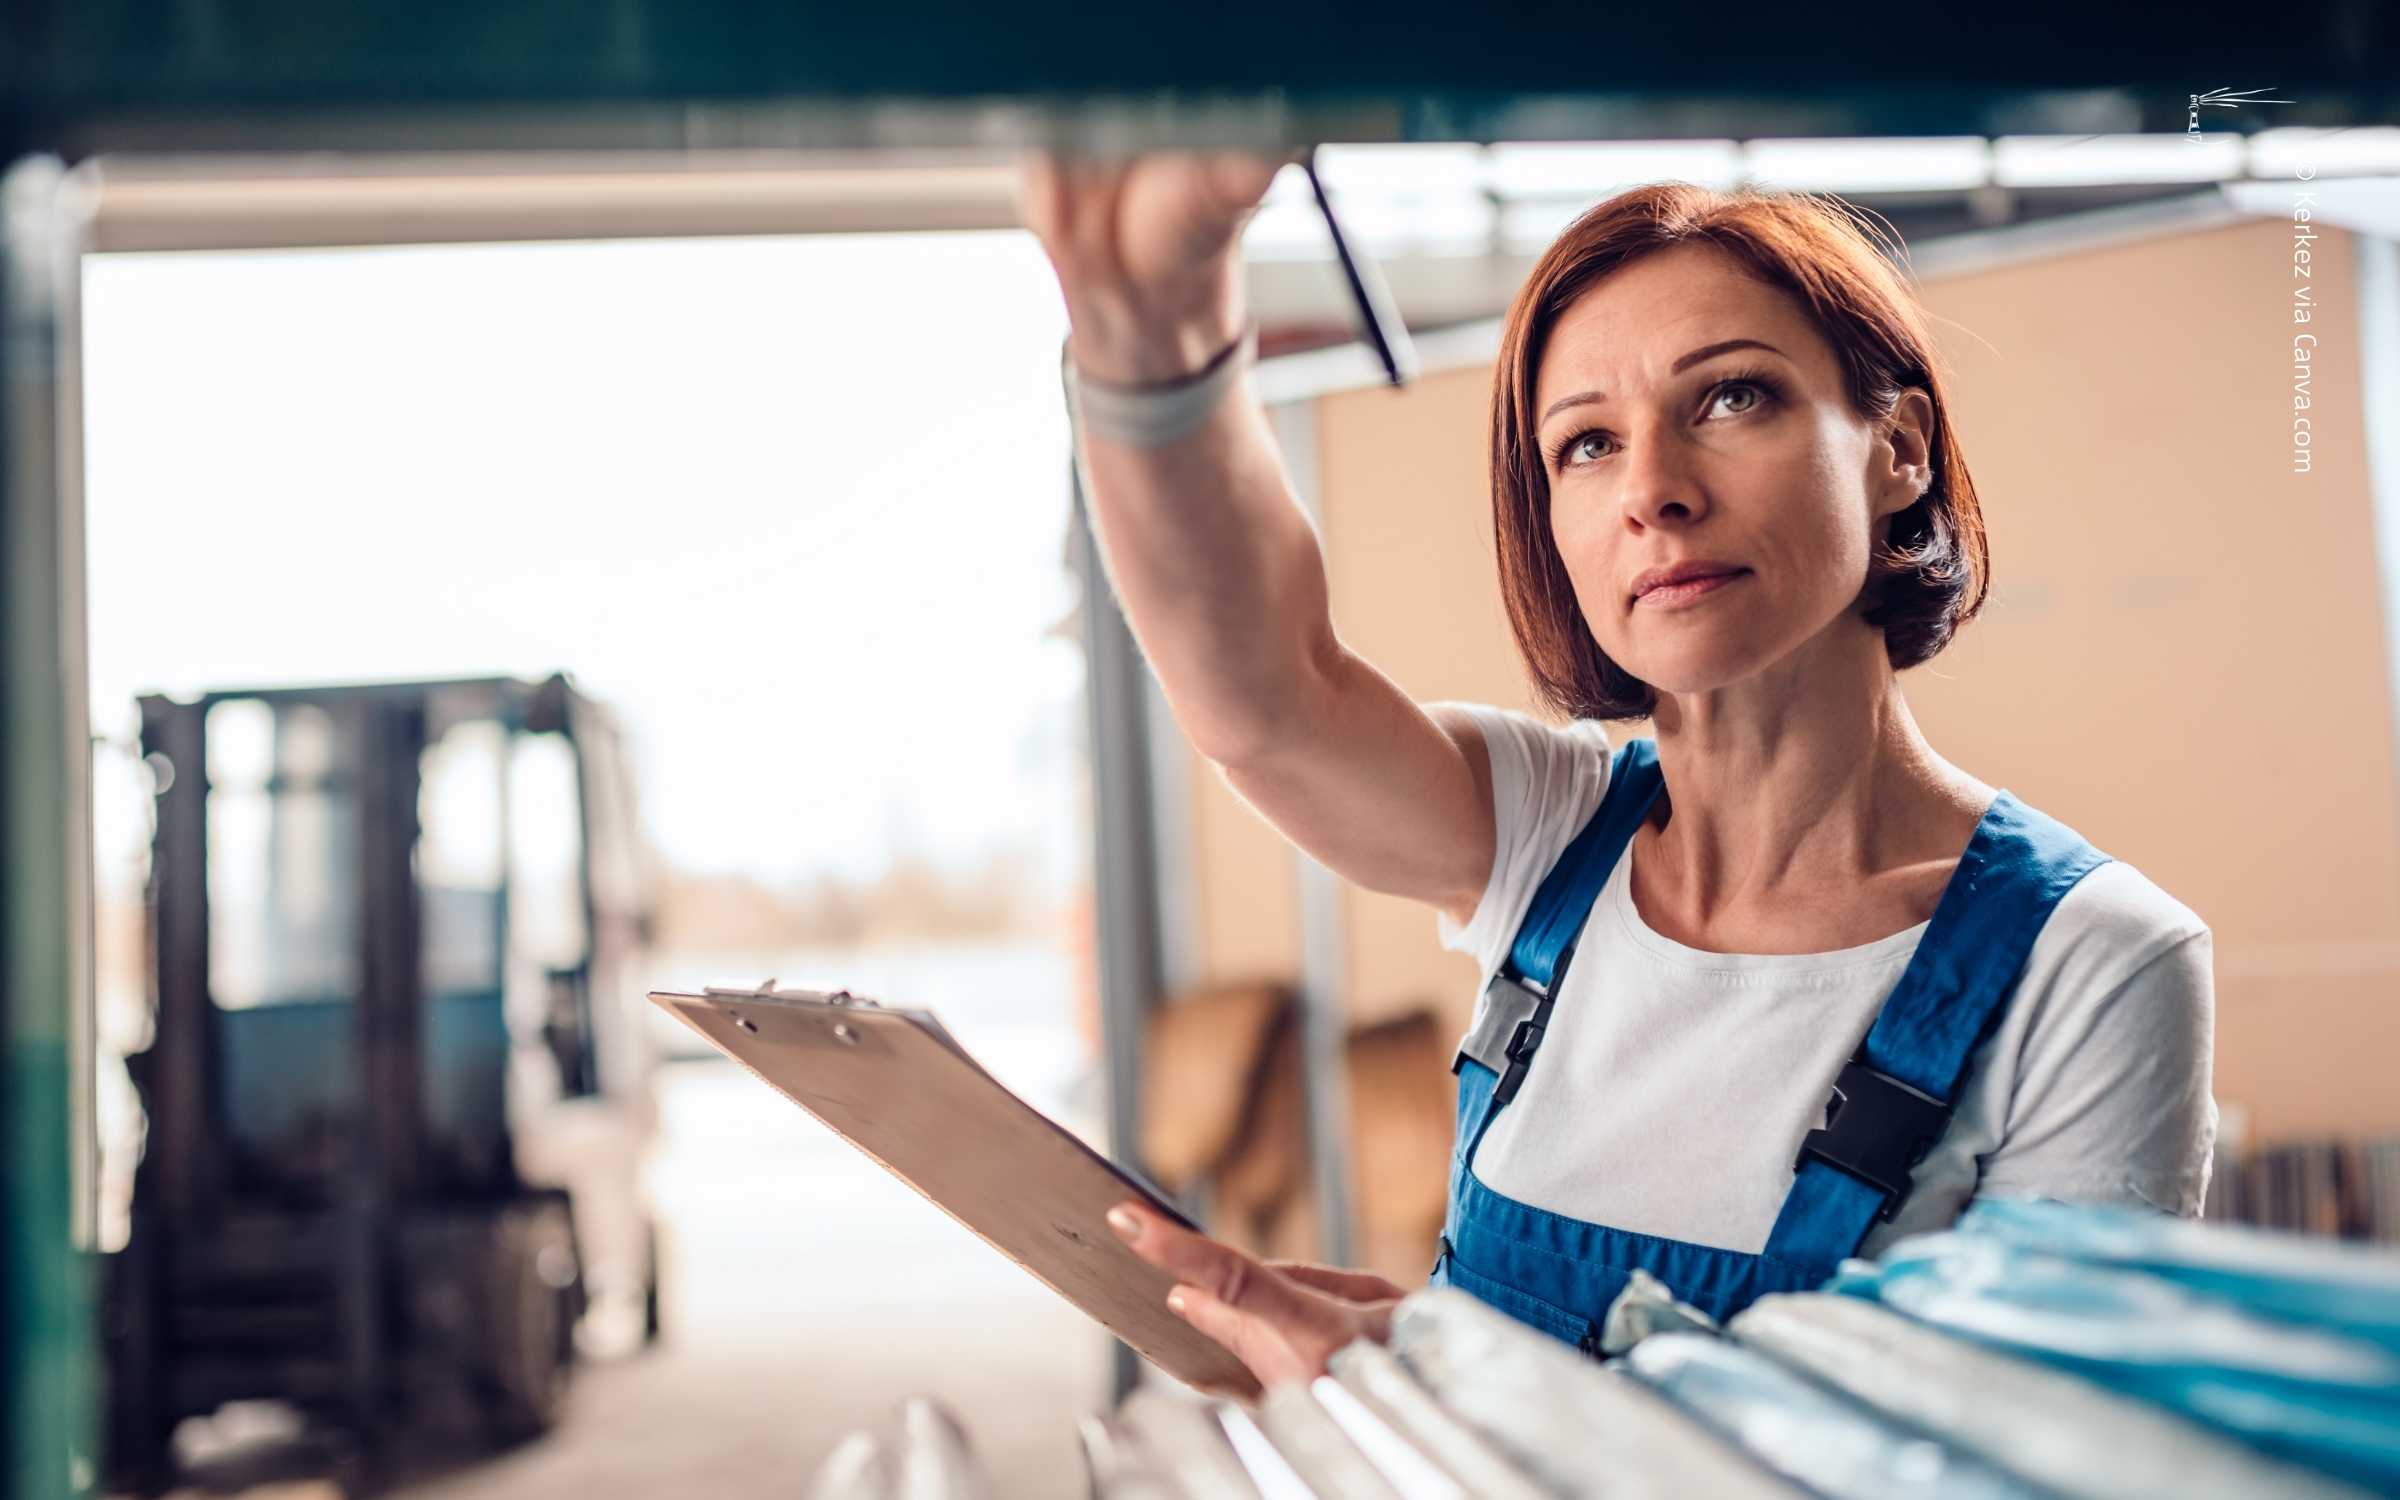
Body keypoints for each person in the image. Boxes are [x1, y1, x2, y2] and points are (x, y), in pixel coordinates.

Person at [1019, 151, 2216, 1392]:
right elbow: (1268, 699)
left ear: (1897, 446)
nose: (1652, 491)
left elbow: (2048, 1462)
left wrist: (1457, 1383)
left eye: (1733, 398)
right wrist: (1153, 327)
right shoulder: (1553, 842)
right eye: (1586, 444)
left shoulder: (2095, 962)